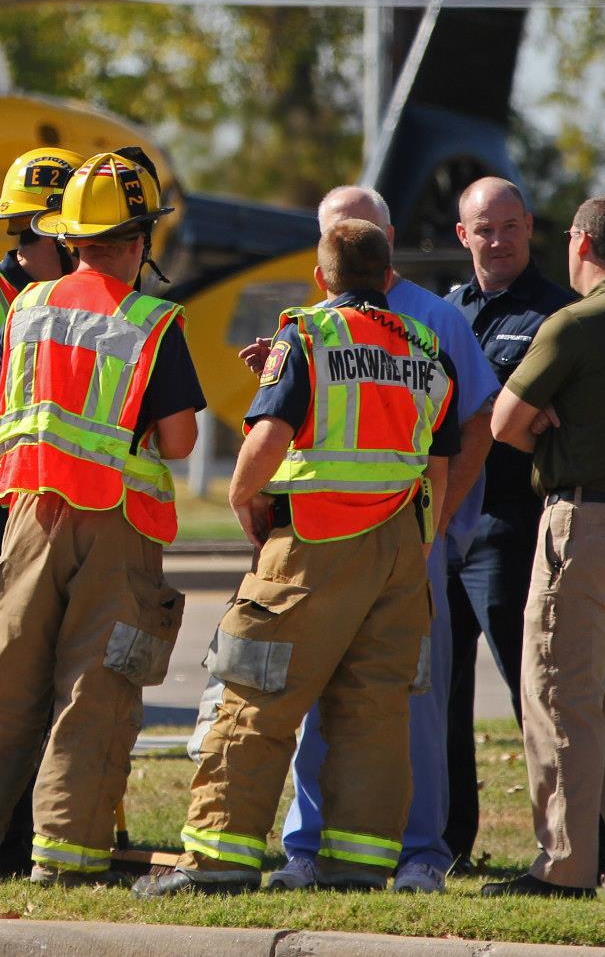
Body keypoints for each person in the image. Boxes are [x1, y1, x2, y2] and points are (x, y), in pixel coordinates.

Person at [142, 218, 460, 898]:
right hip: (399, 550)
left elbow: (270, 437)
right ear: (388, 278)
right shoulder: (426, 346)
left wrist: (241, 499)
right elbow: (438, 455)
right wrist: (421, 536)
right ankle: (359, 864)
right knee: (374, 710)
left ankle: (218, 861)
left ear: (322, 278)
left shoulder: (307, 335)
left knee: (253, 693)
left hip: (313, 542)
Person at [0, 151, 202, 886]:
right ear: (139, 240)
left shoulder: (26, 307)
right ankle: (67, 859)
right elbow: (178, 441)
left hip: (28, 516)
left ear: (70, 237)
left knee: (4, 680)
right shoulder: (152, 321)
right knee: (93, 692)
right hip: (117, 524)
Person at [235, 187, 495, 894]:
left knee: (406, 702)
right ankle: (315, 845)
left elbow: (475, 425)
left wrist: (437, 527)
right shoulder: (318, 328)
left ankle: (418, 850)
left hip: (395, 544)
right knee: (338, 697)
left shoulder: (433, 319)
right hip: (340, 539)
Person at [481, 194, 605, 902]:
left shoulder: (575, 323)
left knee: (560, 696)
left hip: (585, 526)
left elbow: (505, 423)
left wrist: (545, 423)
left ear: (581, 242)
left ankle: (562, 868)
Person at [442, 177, 576, 866]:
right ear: (462, 236)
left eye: (510, 227)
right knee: (440, 695)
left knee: (535, 694)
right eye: (483, 230)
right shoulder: (443, 313)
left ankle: (572, 844)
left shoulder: (558, 314)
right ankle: (446, 842)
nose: (498, 241)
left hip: (510, 526)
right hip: (443, 528)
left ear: (530, 228)